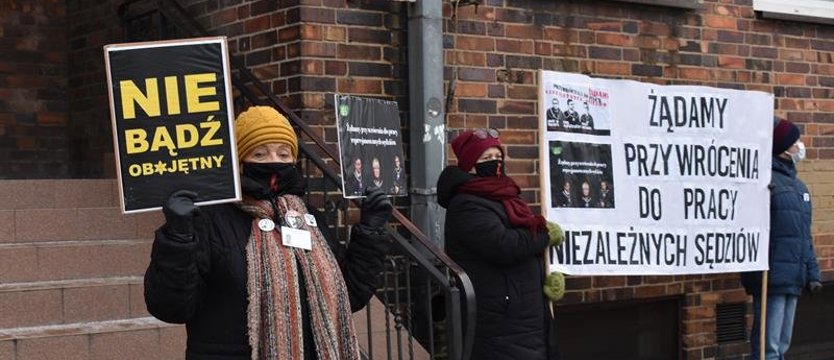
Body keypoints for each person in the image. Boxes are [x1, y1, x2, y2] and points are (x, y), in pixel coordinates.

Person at [144, 106, 393, 359]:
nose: (274, 160)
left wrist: (370, 231)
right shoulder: (210, 219)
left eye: (283, 153)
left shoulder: (309, 218)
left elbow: (349, 294)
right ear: (240, 162)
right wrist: (178, 238)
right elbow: (171, 307)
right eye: (260, 153)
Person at [437, 128, 564, 360]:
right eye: (486, 158)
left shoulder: (505, 196)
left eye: (498, 157)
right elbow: (504, 245)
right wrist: (544, 235)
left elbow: (524, 244)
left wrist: (543, 280)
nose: (495, 163)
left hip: (526, 315)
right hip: (500, 322)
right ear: (471, 166)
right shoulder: (466, 204)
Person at [741, 118, 822, 360]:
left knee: (782, 344)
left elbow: (803, 236)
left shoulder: (800, 188)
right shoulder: (765, 184)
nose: (800, 145)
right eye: (795, 141)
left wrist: (813, 273)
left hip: (793, 277)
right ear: (784, 147)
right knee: (769, 347)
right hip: (772, 277)